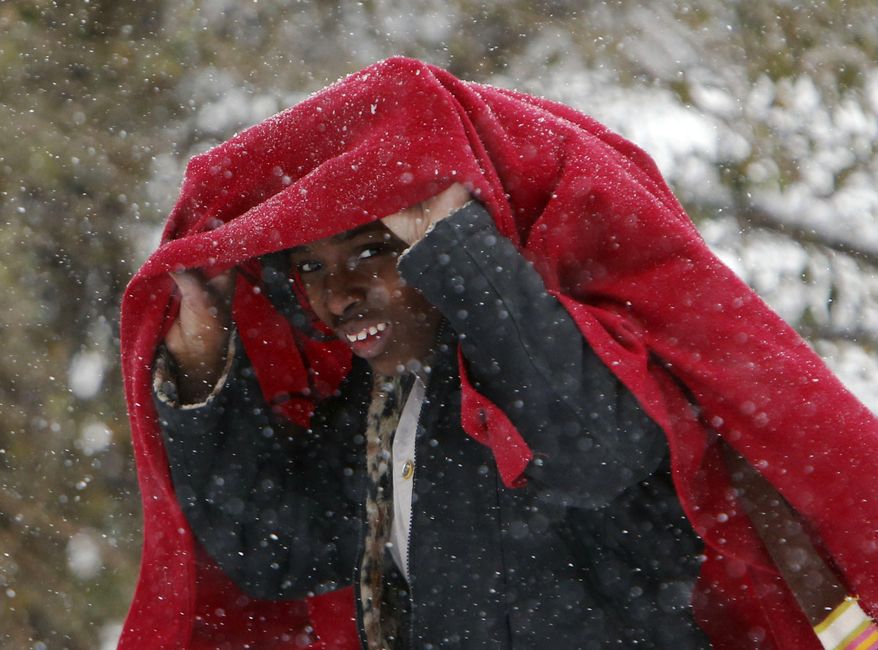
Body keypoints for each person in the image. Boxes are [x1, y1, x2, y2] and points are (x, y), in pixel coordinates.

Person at [119, 57, 878, 649]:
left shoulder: (557, 356)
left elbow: (595, 452)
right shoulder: (381, 405)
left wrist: (465, 259)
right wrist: (204, 371)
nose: (338, 295)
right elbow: (276, 547)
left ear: (438, 236)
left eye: (372, 252)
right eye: (311, 267)